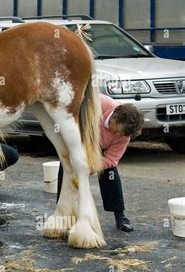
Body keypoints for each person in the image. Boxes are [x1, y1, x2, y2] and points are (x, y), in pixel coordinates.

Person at [57, 94, 144, 232]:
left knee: (110, 173)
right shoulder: (99, 103)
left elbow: (111, 159)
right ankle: (62, 211)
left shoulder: (124, 135)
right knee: (66, 166)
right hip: (80, 139)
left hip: (101, 150)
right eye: (118, 130)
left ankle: (120, 216)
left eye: (122, 134)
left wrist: (92, 167)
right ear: (115, 116)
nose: (117, 135)